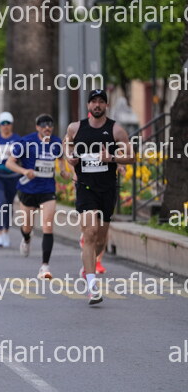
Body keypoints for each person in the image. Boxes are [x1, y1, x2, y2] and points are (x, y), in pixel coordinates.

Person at [64, 89, 134, 305]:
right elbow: (67, 144)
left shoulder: (116, 130)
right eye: (93, 101)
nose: (97, 105)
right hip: (86, 188)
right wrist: (70, 158)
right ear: (88, 106)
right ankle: (92, 286)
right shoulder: (76, 128)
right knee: (90, 232)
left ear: (106, 105)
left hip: (107, 189)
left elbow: (131, 157)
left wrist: (111, 158)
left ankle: (88, 265)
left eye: (101, 102)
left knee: (101, 240)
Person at [6, 114, 71, 280]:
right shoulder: (26, 142)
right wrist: (24, 171)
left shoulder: (56, 142)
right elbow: (9, 163)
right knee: (27, 227)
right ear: (37, 128)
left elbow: (61, 159)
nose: (47, 128)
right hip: (28, 189)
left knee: (48, 226)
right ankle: (26, 238)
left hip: (47, 190)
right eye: (43, 125)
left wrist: (64, 171)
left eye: (50, 125)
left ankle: (44, 266)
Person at [0, 112, 22, 248]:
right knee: (1, 201)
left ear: (11, 125)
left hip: (13, 177)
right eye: (3, 123)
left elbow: (21, 155)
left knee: (8, 204)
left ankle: (6, 232)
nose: (5, 126)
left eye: (8, 123)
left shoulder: (17, 139)